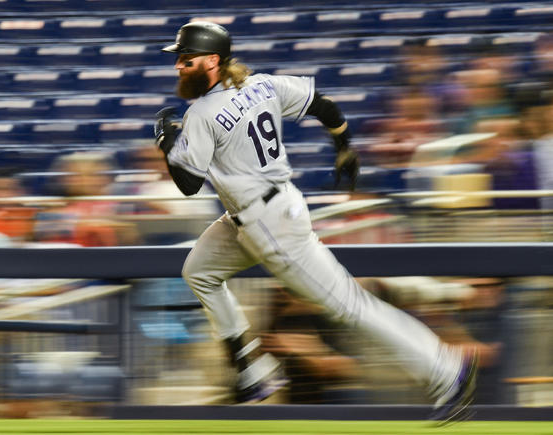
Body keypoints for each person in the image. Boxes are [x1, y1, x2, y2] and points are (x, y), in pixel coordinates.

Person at [154, 21, 477, 423]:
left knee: (350, 305)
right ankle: (251, 371)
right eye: (179, 59)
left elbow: (187, 184)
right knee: (199, 271)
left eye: (187, 59)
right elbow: (321, 104)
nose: (179, 66)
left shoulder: (202, 112)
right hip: (261, 211)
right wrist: (344, 145)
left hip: (267, 224)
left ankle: (447, 369)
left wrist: (166, 143)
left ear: (213, 61)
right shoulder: (261, 84)